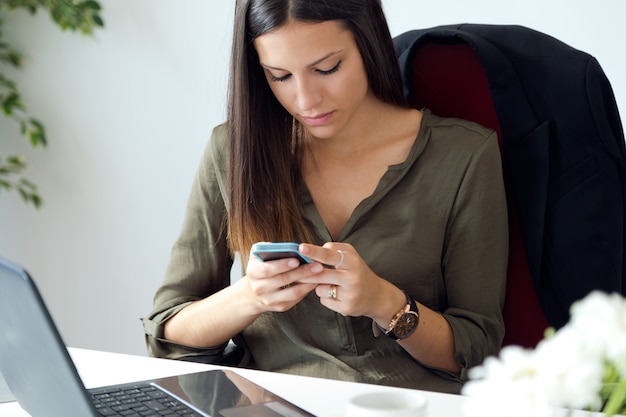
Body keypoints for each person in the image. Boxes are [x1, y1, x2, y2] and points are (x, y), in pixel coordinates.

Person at [142, 0, 508, 394]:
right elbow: (167, 334)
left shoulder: (463, 155)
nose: (305, 100)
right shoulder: (233, 152)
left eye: (326, 68)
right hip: (268, 402)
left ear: (367, 44)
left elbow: (476, 350)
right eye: (279, 75)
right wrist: (250, 296)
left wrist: (386, 303)